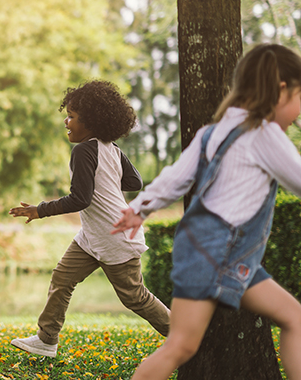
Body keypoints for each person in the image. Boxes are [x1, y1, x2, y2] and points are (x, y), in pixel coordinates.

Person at [112, 43, 301, 379]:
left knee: (293, 317)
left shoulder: (213, 133)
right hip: (219, 252)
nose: (299, 111)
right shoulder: (264, 133)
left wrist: (140, 207)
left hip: (220, 253)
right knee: (181, 346)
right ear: (281, 89)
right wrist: (139, 208)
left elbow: (176, 177)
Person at [9, 80, 170, 358]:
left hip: (115, 236)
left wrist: (40, 209)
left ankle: (185, 335)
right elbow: (134, 181)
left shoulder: (84, 150)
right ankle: (46, 339)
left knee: (135, 297)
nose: (66, 121)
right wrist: (108, 178)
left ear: (92, 122)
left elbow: (80, 199)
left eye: (72, 116)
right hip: (93, 236)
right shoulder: (111, 148)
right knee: (62, 278)